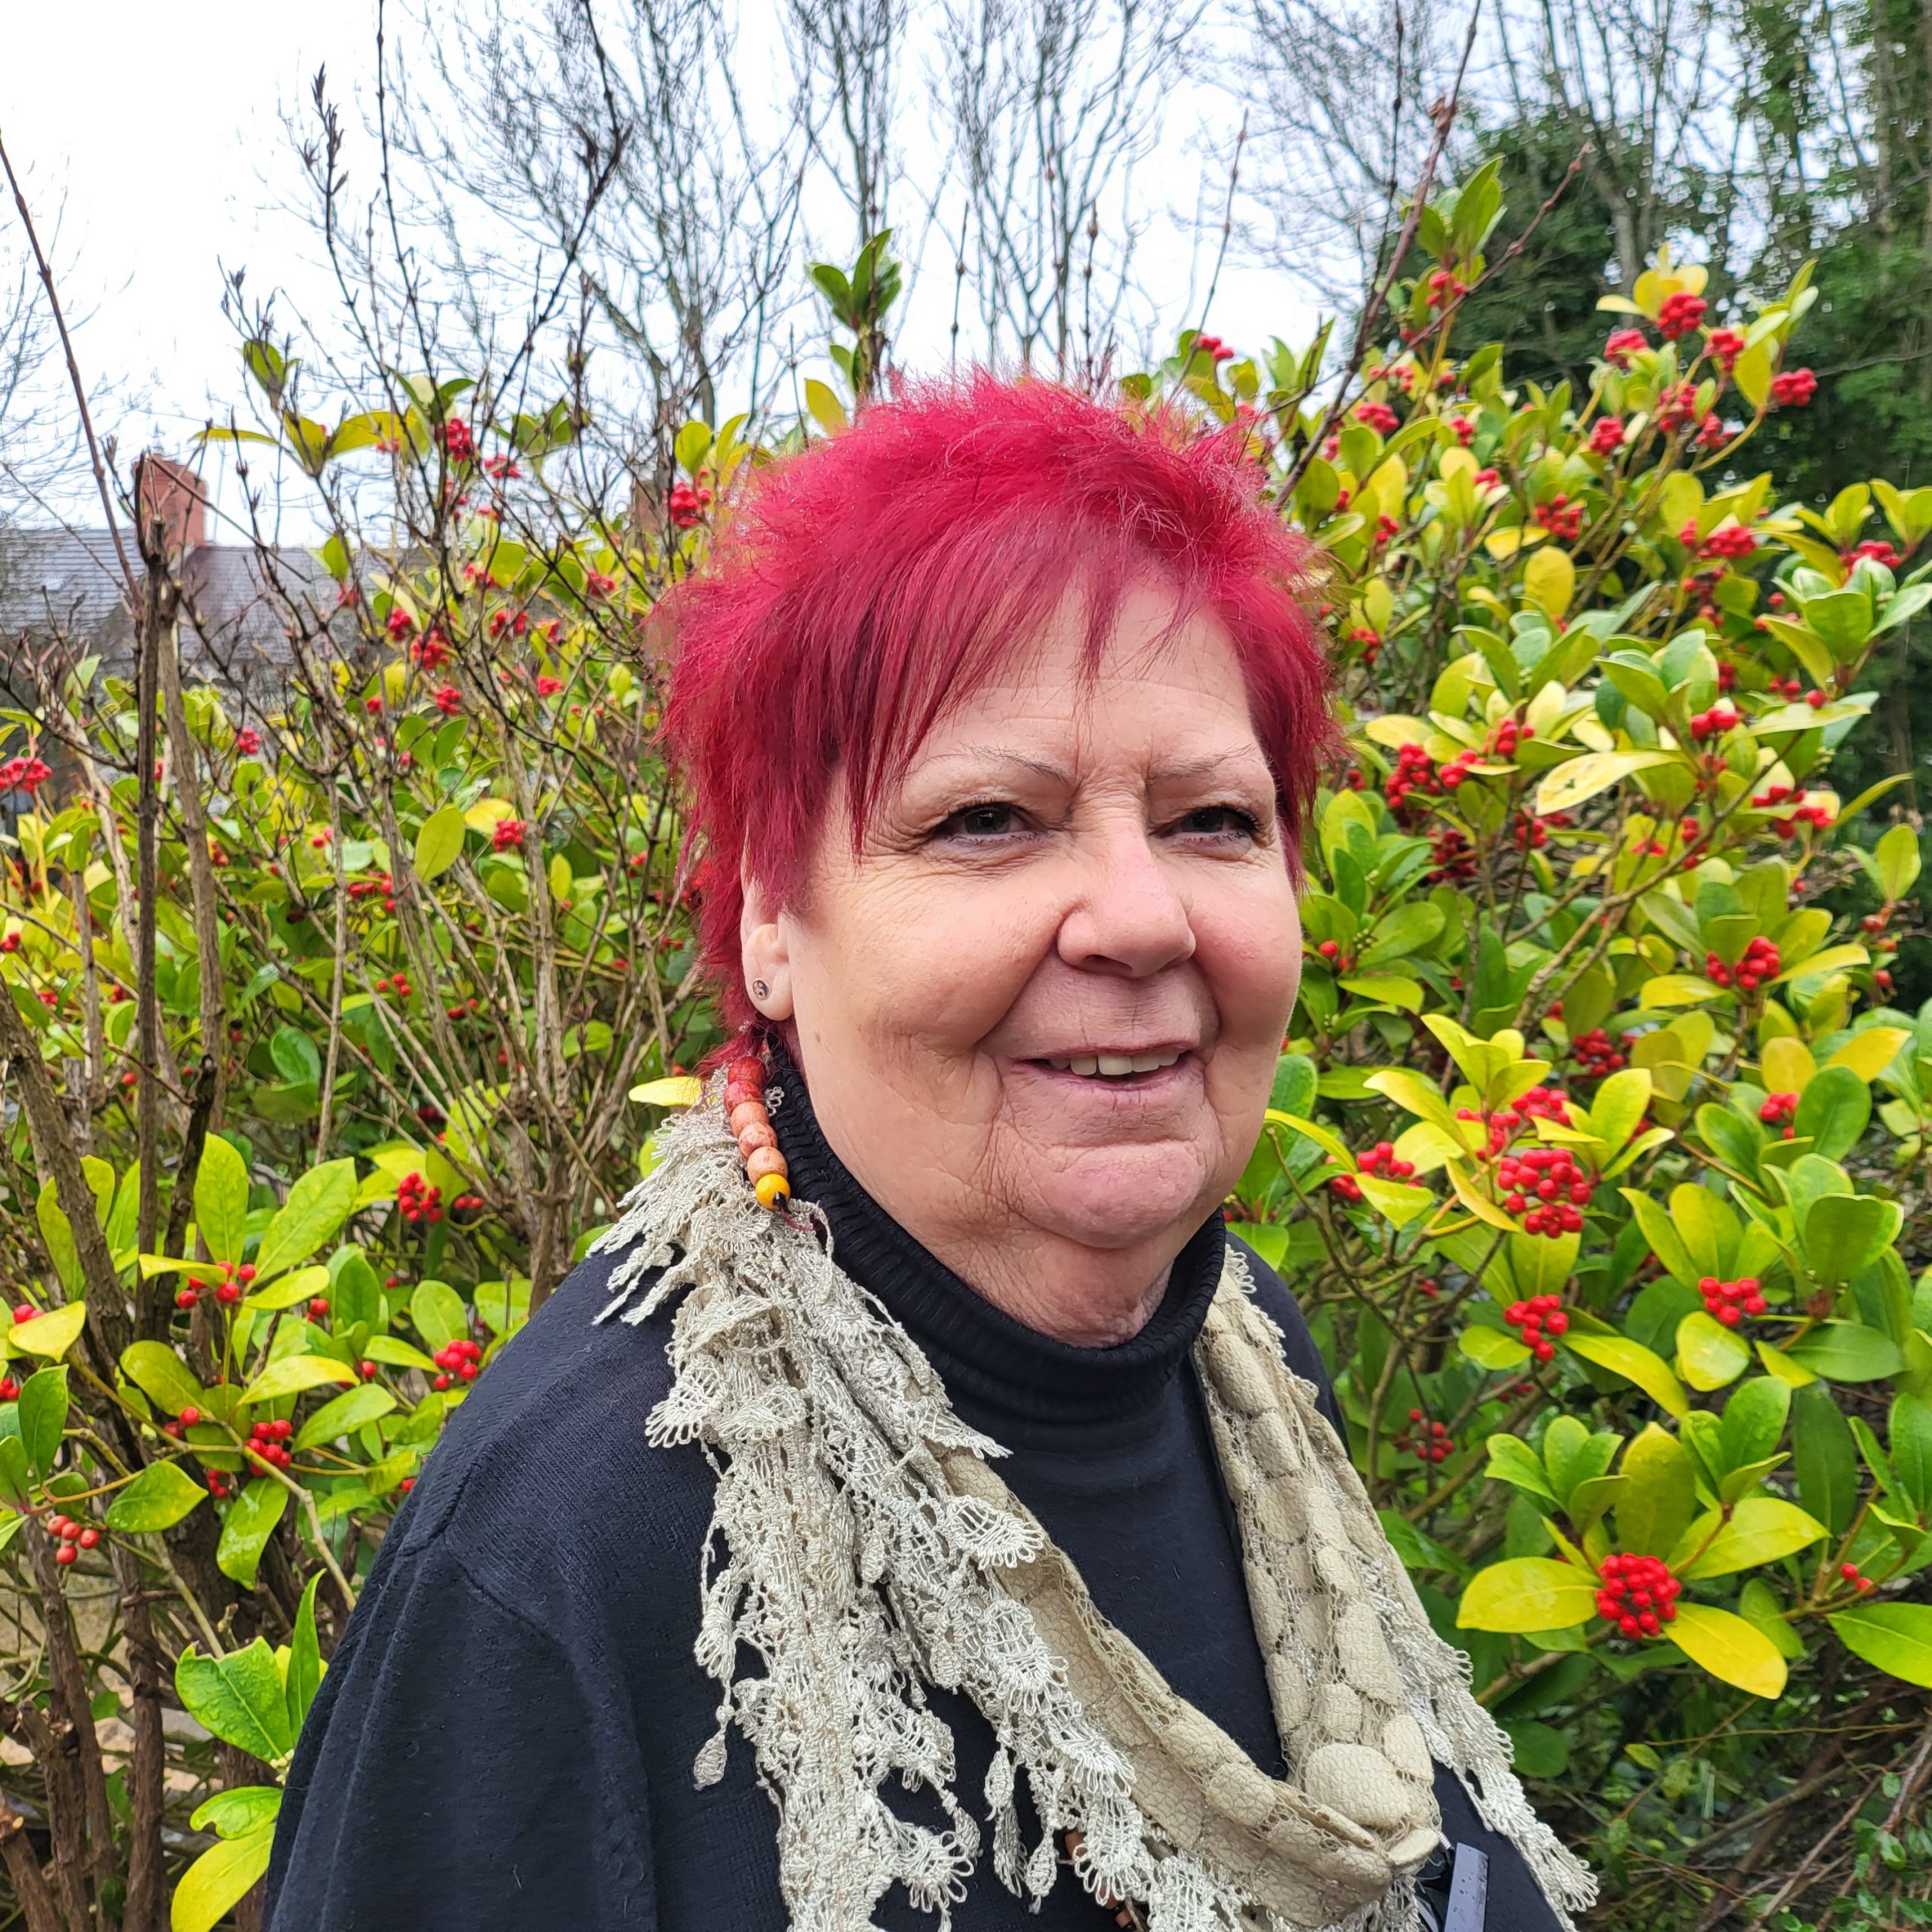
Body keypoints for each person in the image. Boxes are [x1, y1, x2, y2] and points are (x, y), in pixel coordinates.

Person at [265, 377, 1593, 1932]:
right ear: (772, 919)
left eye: (1213, 820)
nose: (1141, 916)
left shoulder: (1242, 1355)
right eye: (986, 818)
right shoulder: (563, 1557)